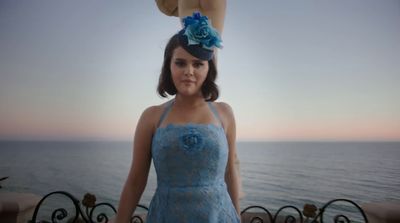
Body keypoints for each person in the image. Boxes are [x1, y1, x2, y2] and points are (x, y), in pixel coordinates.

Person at [115, 12, 241, 223]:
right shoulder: (151, 117)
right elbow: (136, 179)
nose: (189, 71)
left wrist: (237, 215)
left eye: (198, 64)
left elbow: (230, 170)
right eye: (180, 63)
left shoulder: (224, 113)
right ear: (169, 66)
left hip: (219, 217)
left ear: (208, 68)